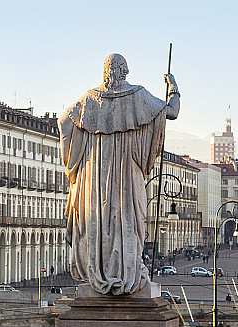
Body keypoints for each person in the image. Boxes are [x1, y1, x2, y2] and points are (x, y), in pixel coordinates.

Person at [59, 53, 180, 295]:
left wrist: (74, 161)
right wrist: (173, 88)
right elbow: (171, 112)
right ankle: (127, 271)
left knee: (98, 221)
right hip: (127, 172)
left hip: (95, 175)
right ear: (125, 70)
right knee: (127, 220)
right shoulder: (138, 95)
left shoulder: (89, 99)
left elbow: (64, 122)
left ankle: (99, 271)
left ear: (106, 71)